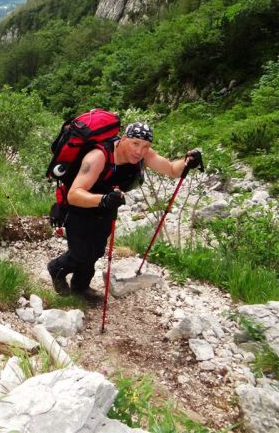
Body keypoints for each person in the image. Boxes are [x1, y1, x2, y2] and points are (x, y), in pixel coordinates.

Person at [47, 122, 203, 301]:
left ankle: (80, 287)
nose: (139, 151)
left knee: (96, 250)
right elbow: (74, 195)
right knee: (80, 253)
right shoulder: (98, 156)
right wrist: (104, 200)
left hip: (106, 208)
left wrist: (187, 162)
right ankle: (56, 268)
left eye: (145, 146)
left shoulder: (144, 156)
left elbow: (171, 169)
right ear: (123, 139)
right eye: (135, 143)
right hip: (80, 208)